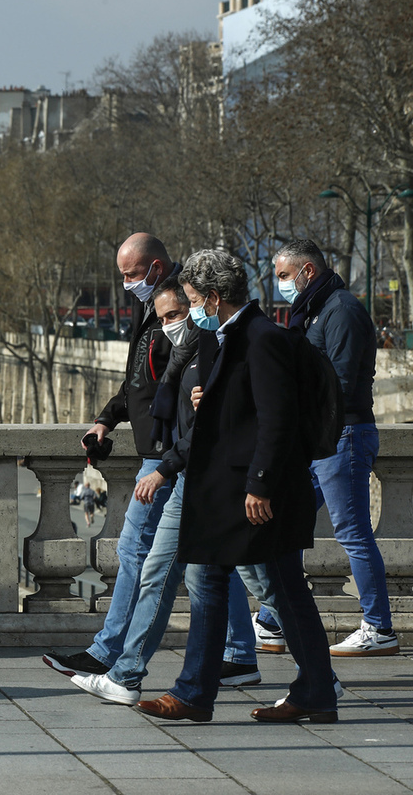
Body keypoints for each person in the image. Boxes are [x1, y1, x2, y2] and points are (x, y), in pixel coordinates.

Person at [135, 249, 337, 724]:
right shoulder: (229, 338)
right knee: (257, 585)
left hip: (255, 493)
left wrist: (260, 486)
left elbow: (277, 420)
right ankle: (305, 691)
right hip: (230, 490)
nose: (190, 310)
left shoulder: (261, 338)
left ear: (213, 296)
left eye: (191, 299)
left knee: (277, 588)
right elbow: (236, 415)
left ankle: (201, 694)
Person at [72, 276, 264, 706]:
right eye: (165, 317)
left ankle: (310, 674)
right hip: (187, 474)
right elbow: (165, 407)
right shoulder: (188, 352)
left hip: (216, 478)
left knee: (266, 583)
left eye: (184, 309)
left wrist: (164, 467)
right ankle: (132, 675)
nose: (173, 322)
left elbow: (232, 422)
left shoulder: (236, 343)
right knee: (173, 571)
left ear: (210, 300)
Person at [43, 233, 180, 677]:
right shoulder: (150, 306)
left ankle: (107, 653)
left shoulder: (176, 311)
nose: (126, 284)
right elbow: (137, 383)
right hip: (159, 452)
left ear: (156, 267)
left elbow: (180, 389)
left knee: (134, 550)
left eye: (131, 274)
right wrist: (105, 421)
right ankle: (239, 654)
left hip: (167, 455)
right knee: (201, 565)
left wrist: (166, 458)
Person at [270, 239, 398, 657]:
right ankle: (273, 620)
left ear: (308, 272)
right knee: (286, 522)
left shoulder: (339, 310)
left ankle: (378, 628)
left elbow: (338, 385)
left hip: (341, 435)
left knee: (353, 533)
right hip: (323, 437)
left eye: (284, 277)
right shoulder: (317, 309)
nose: (280, 286)